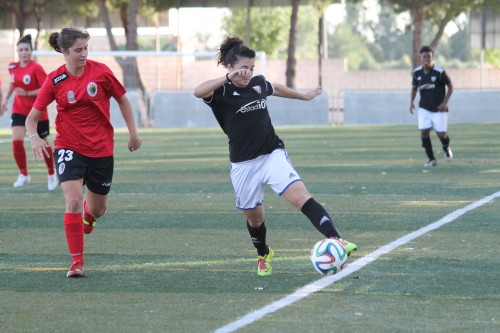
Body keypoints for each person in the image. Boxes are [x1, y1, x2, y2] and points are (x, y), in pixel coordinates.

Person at [194, 36, 357, 277]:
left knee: (301, 197)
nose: (248, 73)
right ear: (230, 67)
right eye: (242, 68)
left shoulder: (258, 83)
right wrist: (228, 78)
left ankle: (337, 240)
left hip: (272, 154)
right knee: (255, 220)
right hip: (243, 164)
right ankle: (264, 254)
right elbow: (197, 91)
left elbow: (275, 87)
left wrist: (303, 96)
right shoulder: (220, 91)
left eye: (251, 68)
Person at [26, 28, 142, 278]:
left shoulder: (101, 72)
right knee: (73, 199)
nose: (84, 54)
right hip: (68, 147)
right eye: (78, 50)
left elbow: (122, 99)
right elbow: (31, 118)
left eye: (86, 48)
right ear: (64, 52)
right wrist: (35, 137)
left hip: (101, 149)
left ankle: (90, 215)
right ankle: (76, 262)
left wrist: (133, 133)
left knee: (97, 209)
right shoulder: (55, 79)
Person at [1, 34, 57, 190]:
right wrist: (5, 99)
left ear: (31, 51)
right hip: (18, 110)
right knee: (16, 140)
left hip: (37, 112)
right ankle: (23, 174)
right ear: (17, 51)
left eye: (26, 49)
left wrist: (26, 93)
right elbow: (13, 83)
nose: (23, 52)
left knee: (44, 143)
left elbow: (45, 89)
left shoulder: (36, 68)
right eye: (20, 50)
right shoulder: (12, 66)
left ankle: (51, 174)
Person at [410, 45, 454, 167]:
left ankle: (446, 147)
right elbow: (414, 88)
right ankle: (431, 159)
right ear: (421, 58)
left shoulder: (439, 72)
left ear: (432, 58)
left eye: (429, 56)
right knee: (424, 132)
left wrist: (445, 103)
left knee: (442, 134)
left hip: (439, 109)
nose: (426, 58)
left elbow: (450, 87)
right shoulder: (416, 72)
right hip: (424, 108)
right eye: (424, 56)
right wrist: (411, 102)